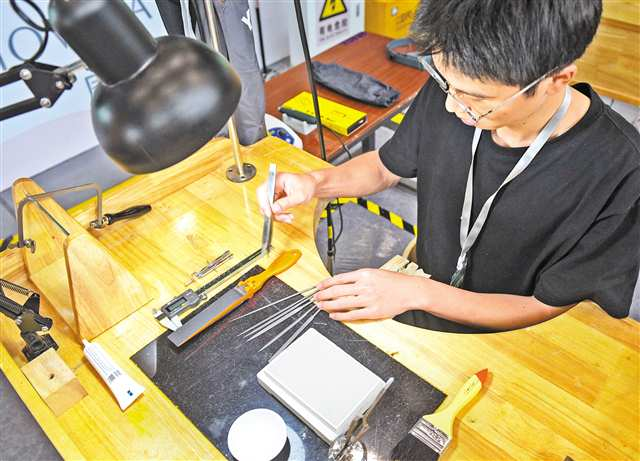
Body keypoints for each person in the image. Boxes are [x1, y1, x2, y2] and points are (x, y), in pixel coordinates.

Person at [257, 0, 640, 333]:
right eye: (445, 83)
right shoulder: (456, 86)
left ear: (558, 80)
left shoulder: (622, 170)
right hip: (421, 294)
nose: (452, 107)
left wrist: (419, 293)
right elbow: (386, 166)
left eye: (477, 99)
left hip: (509, 341)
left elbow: (549, 307)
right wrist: (314, 182)